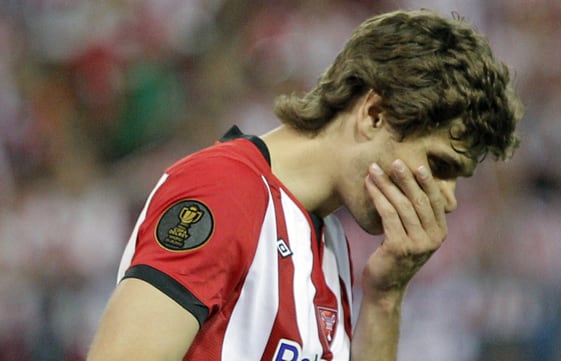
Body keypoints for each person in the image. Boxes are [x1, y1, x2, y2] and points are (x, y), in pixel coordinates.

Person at [87, 8, 522, 361]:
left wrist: (384, 298)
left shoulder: (327, 242)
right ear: (374, 113)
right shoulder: (225, 191)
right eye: (439, 165)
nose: (446, 199)